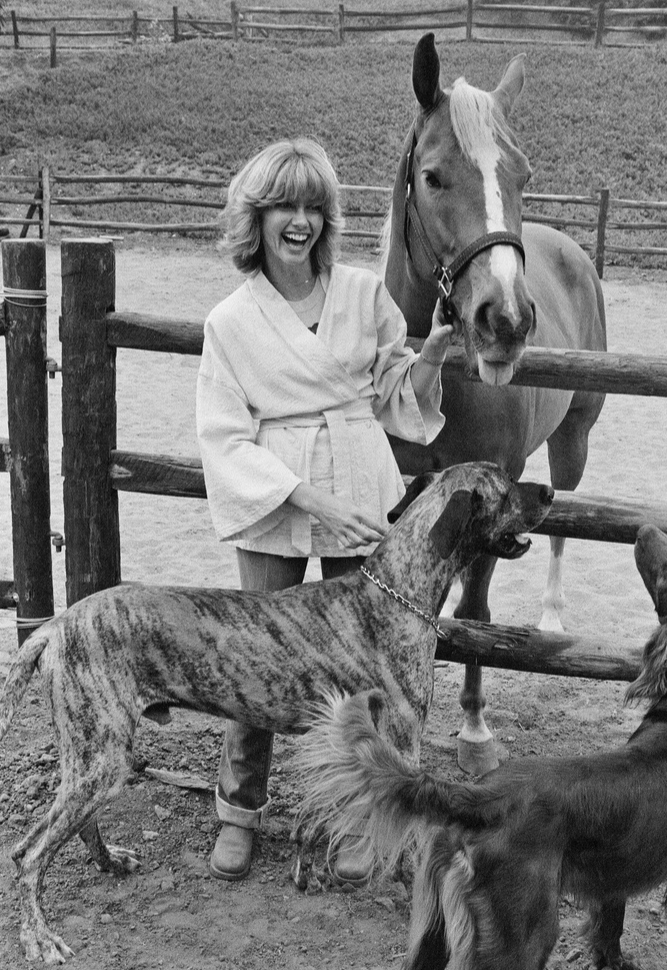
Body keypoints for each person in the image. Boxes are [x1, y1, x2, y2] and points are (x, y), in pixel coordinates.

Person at [196, 137, 453, 883]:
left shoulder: (362, 293)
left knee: (359, 662)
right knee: (257, 654)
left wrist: (432, 351)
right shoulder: (230, 321)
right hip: (279, 491)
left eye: (314, 206)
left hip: (359, 473)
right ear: (258, 216)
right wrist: (308, 500)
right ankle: (239, 810)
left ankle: (354, 815)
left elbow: (392, 397)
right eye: (285, 206)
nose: (300, 221)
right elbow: (224, 436)